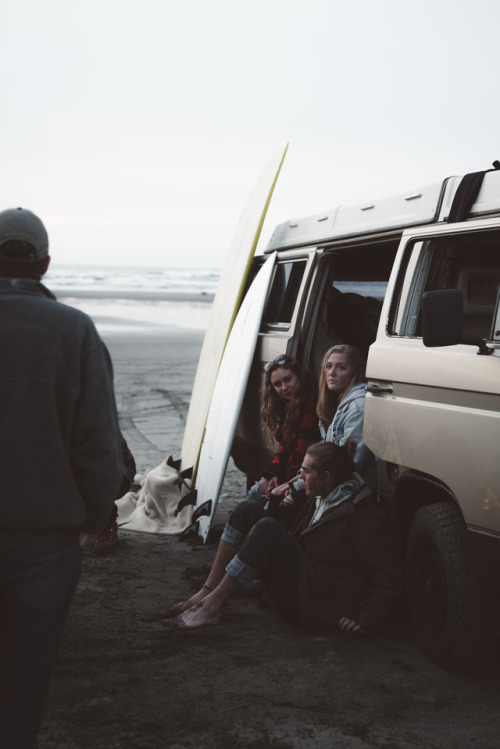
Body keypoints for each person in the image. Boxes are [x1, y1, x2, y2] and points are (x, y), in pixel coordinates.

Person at [0, 207, 124, 748]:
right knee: (24, 680)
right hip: (45, 539)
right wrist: (94, 517)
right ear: (45, 264)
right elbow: (97, 443)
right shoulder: (74, 330)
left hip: (44, 536)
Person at [162, 441, 401, 633]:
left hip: (315, 606)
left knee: (267, 528)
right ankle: (208, 591)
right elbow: (296, 540)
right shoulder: (322, 495)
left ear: (327, 476)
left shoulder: (361, 514)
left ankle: (211, 607)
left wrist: (367, 617)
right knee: (248, 510)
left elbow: (389, 572)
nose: (299, 478)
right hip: (304, 585)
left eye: (306, 472)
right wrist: (278, 503)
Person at [246, 354, 319, 515]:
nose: (284, 388)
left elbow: (301, 453)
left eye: (288, 380)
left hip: (306, 472)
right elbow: (285, 448)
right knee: (256, 491)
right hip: (291, 470)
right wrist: (273, 475)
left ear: (299, 376)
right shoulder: (286, 405)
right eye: (277, 384)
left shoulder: (312, 403)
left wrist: (283, 482)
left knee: (267, 502)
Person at [316, 343, 377, 492]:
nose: (332, 373)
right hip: (330, 482)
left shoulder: (358, 407)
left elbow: (351, 463)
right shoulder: (335, 402)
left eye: (341, 368)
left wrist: (300, 484)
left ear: (354, 373)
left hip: (350, 490)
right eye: (328, 366)